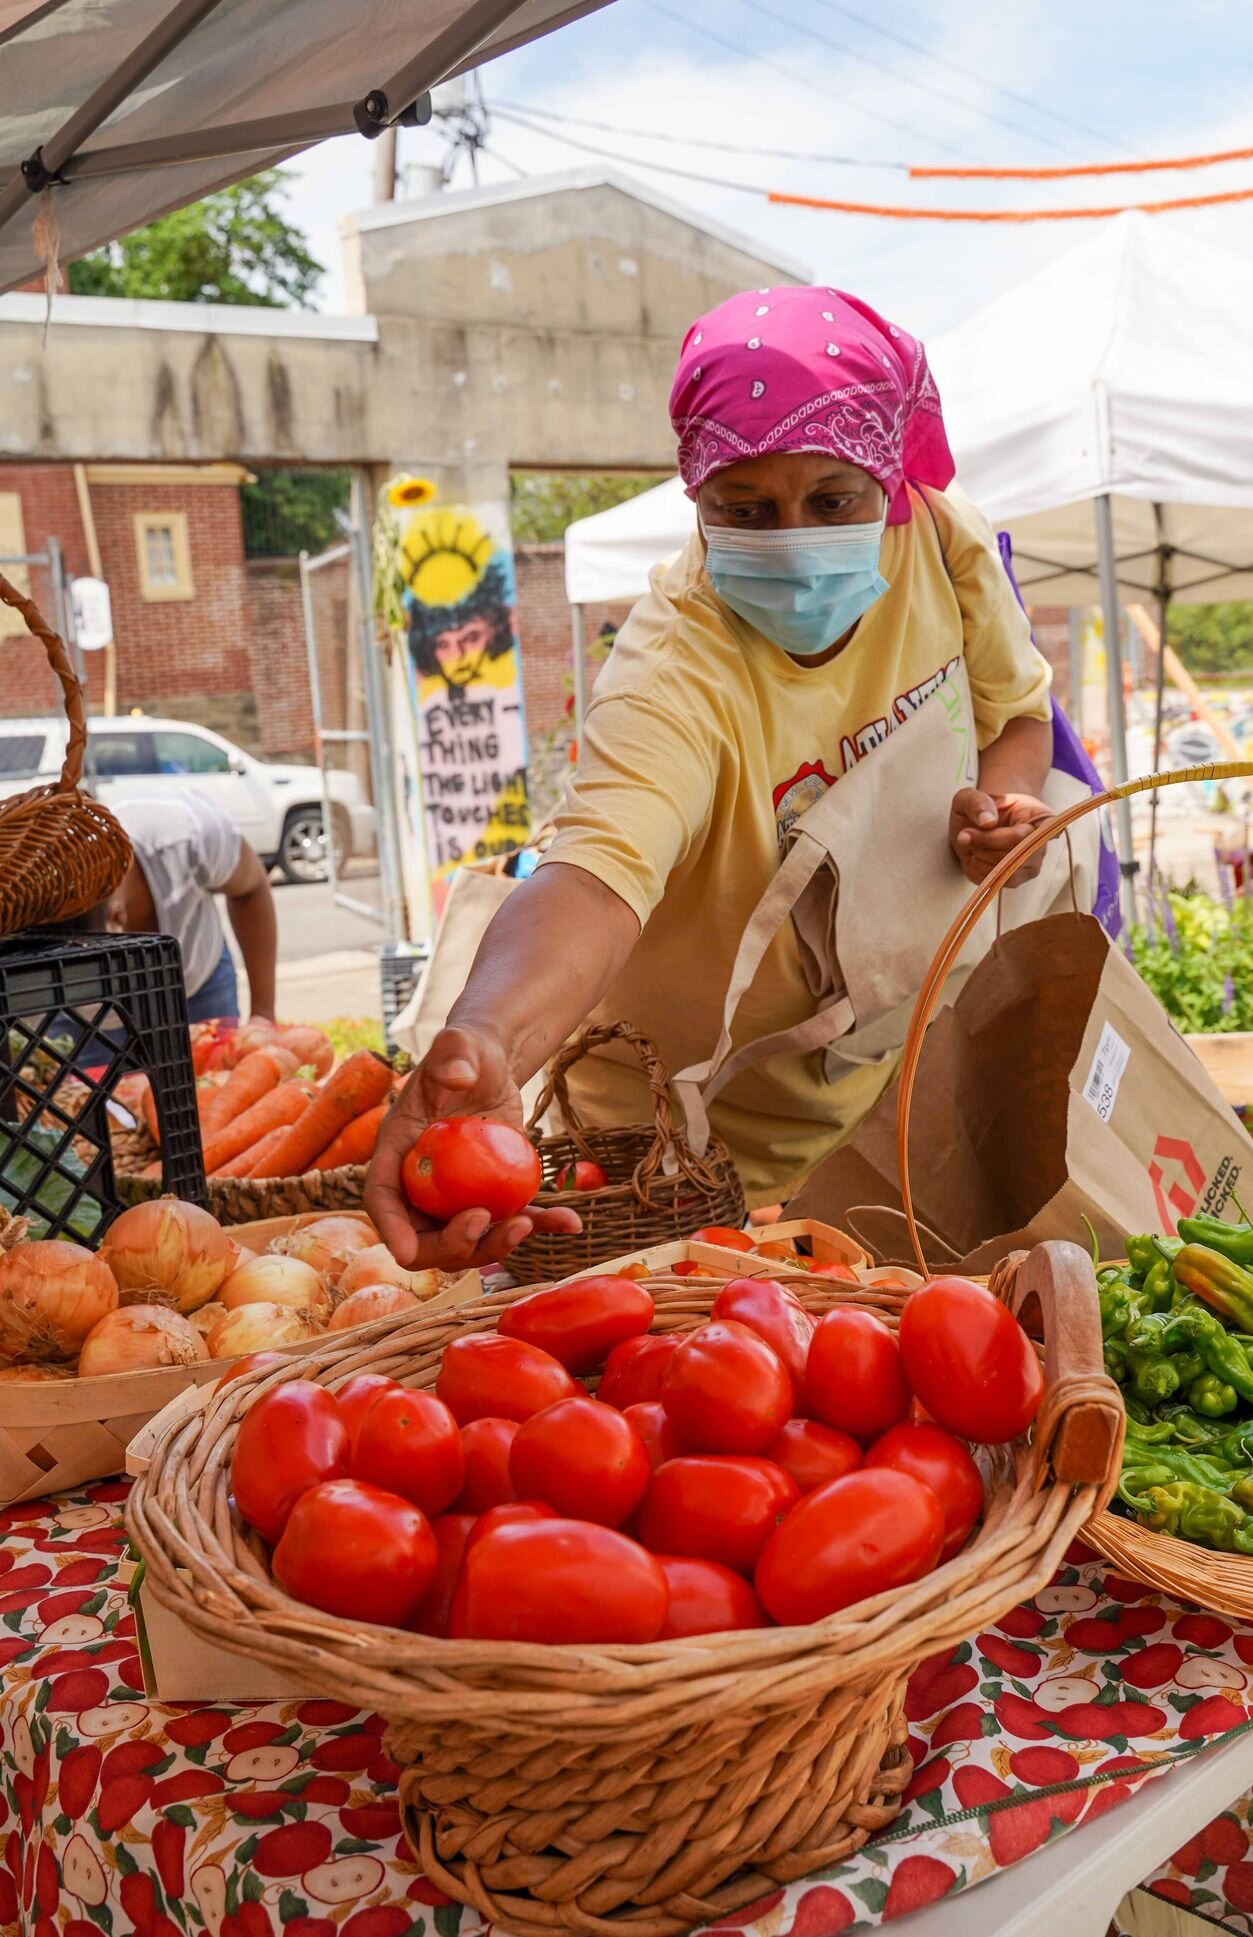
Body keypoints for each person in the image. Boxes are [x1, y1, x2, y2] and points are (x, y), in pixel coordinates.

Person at [368, 285, 1077, 1271]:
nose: (792, 538)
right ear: (696, 499)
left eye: (833, 500)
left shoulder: (941, 543)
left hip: (882, 1106)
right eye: (745, 510)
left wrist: (1004, 805)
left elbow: (1019, 713)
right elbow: (591, 880)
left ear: (890, 477)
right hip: (656, 1157)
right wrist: (486, 1038)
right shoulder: (671, 666)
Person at [107, 793, 278, 1022]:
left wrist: (263, 1013)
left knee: (218, 1056)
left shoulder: (188, 833)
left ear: (116, 914)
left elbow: (251, 887)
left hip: (199, 983)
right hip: (89, 1020)